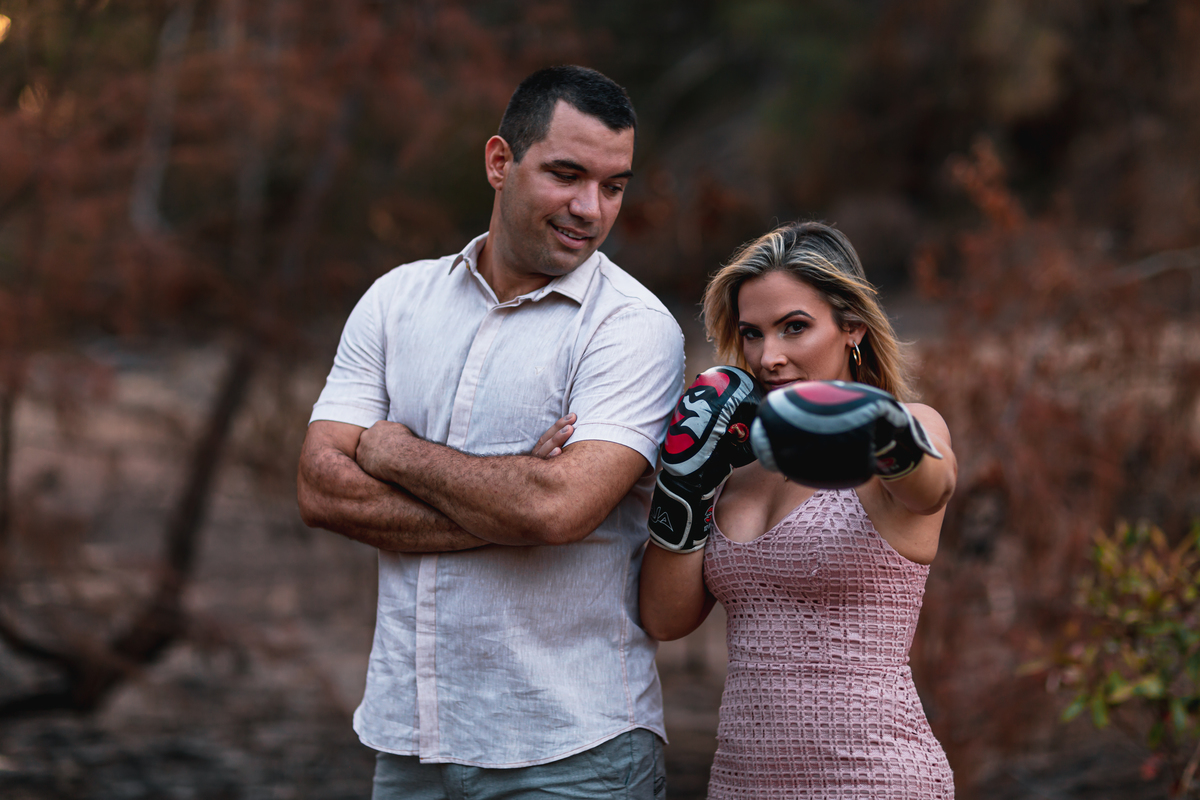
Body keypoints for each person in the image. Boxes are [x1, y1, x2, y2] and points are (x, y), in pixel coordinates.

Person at [296, 65, 684, 800]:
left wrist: (393, 450)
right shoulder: (396, 301)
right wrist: (512, 499)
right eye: (566, 174)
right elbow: (321, 488)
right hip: (410, 742)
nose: (590, 209)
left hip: (572, 751)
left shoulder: (632, 330)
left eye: (614, 185)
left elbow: (555, 510)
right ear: (500, 162)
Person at [638, 221, 957, 799]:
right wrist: (684, 486)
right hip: (741, 782)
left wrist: (882, 435)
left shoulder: (905, 427)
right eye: (752, 334)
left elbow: (931, 488)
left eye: (794, 328)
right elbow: (665, 619)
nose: (769, 356)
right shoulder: (735, 466)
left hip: (874, 778)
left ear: (851, 326)